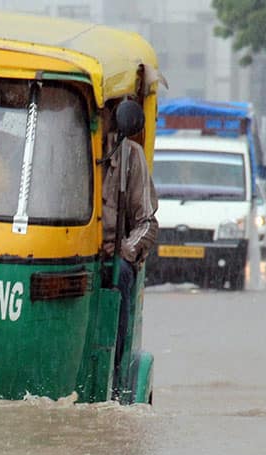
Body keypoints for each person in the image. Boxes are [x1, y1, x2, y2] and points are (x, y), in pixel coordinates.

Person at [100, 102, 158, 395]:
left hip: (111, 257)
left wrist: (125, 249)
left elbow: (147, 223)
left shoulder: (129, 156)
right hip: (61, 252)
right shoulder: (51, 147)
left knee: (119, 274)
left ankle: (114, 373)